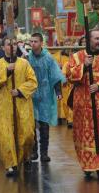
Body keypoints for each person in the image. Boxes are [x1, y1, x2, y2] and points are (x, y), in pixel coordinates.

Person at [66, 30, 99, 179]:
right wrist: (84, 66)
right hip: (82, 103)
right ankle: (87, 165)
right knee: (83, 134)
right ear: (88, 40)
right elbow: (69, 75)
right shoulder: (77, 57)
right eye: (96, 38)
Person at [0, 37, 37, 177]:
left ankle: (26, 157)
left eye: (14, 44)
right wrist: (6, 72)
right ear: (4, 47)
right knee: (6, 135)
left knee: (27, 134)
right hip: (5, 105)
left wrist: (20, 91)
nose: (12, 46)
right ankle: (11, 164)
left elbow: (33, 82)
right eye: (9, 44)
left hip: (22, 104)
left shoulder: (24, 63)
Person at [28, 33, 65, 162]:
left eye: (35, 41)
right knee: (31, 125)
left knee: (44, 125)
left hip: (45, 95)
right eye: (31, 41)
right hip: (31, 95)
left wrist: (58, 91)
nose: (33, 44)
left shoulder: (48, 58)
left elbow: (55, 75)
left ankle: (44, 152)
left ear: (41, 43)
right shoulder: (27, 58)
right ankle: (33, 152)